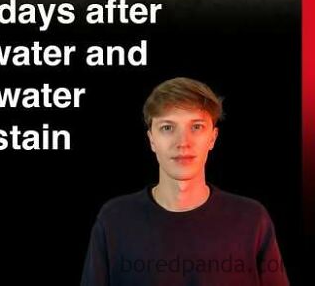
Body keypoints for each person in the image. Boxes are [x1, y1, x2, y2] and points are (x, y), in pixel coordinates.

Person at [80, 77, 289, 285]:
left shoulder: (252, 219)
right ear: (152, 140)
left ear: (213, 138)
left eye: (196, 127)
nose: (183, 142)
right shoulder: (114, 219)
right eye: (167, 128)